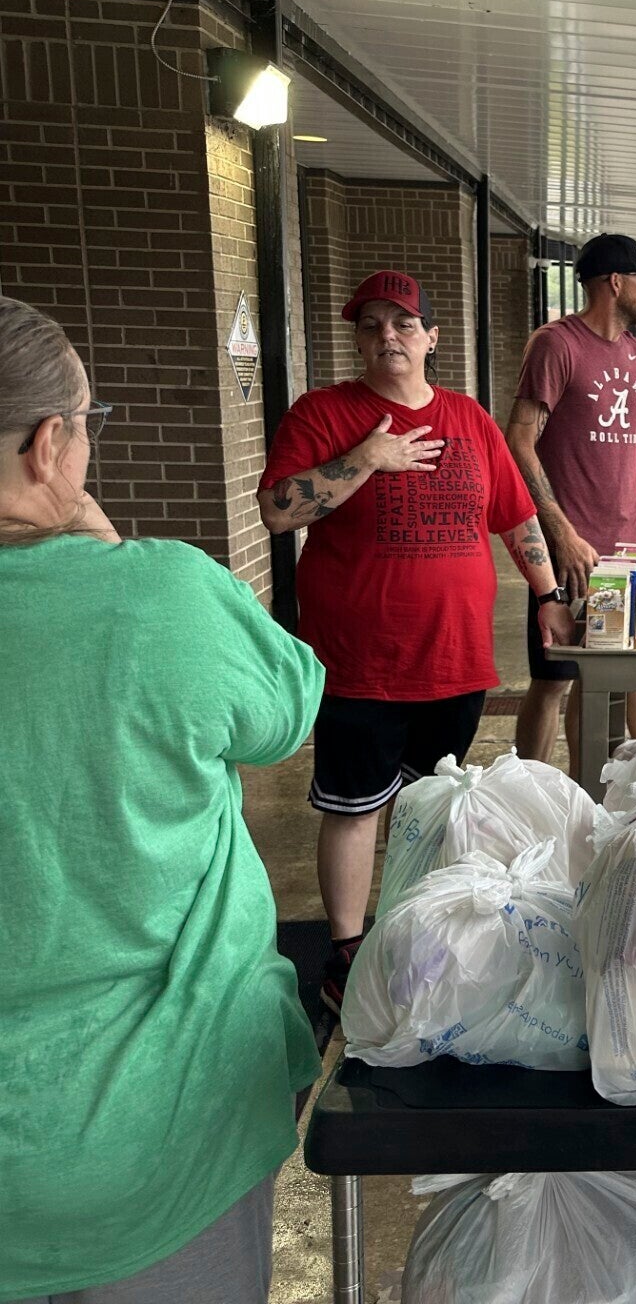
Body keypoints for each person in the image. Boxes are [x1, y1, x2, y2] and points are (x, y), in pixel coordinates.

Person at [0, 298, 320, 1302]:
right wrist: (100, 546)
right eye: (88, 422)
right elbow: (286, 707)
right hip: (164, 1131)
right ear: (50, 443)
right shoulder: (157, 597)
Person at [258, 269, 573, 1014]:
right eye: (371, 324)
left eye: (403, 323)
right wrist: (367, 460)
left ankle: (409, 928)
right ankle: (344, 951)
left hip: (455, 659)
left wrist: (550, 595)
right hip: (361, 661)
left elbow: (515, 516)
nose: (386, 336)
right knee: (354, 805)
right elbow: (276, 511)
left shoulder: (468, 419)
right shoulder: (324, 414)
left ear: (432, 337)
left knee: (428, 803)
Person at [509, 234, 636, 764]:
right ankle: (532, 790)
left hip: (627, 556)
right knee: (553, 680)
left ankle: (591, 794)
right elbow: (518, 440)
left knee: (602, 677)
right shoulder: (557, 345)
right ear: (615, 282)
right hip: (569, 551)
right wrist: (559, 532)